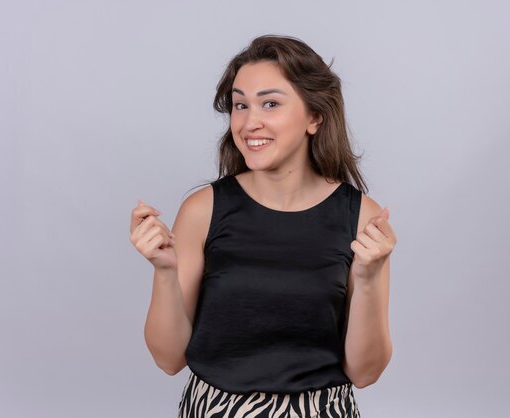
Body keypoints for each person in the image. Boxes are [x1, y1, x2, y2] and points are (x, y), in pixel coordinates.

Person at [129, 34, 397, 418]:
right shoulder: (203, 210)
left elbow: (366, 372)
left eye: (270, 103)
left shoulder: (362, 218)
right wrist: (164, 271)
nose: (249, 122)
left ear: (314, 116)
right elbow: (169, 360)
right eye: (240, 105)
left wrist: (369, 278)